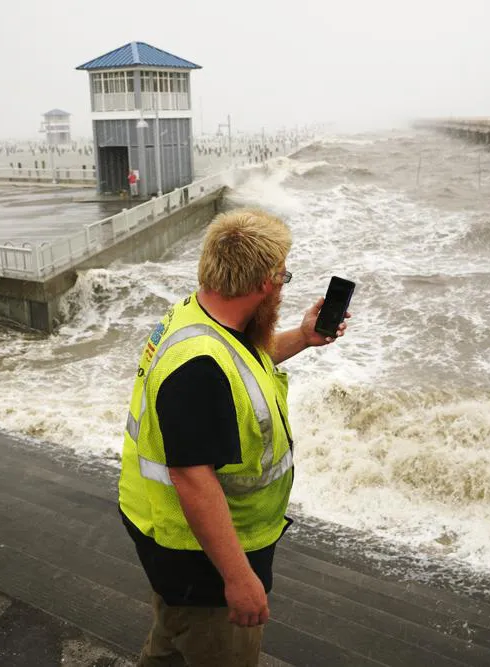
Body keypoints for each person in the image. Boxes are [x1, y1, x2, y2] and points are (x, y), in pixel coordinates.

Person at [118, 208, 351, 666]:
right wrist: (239, 578)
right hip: (199, 555)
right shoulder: (198, 368)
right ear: (265, 283)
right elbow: (192, 478)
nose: (284, 284)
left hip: (170, 535)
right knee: (213, 648)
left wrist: (302, 337)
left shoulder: (200, 312)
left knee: (172, 639)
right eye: (283, 275)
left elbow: (244, 363)